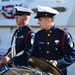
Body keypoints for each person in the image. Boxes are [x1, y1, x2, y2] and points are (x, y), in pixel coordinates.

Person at [30, 5, 75, 75]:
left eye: (40, 20)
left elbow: (73, 55)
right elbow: (34, 55)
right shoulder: (38, 35)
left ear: (49, 20)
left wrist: (57, 63)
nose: (38, 22)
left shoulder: (63, 35)